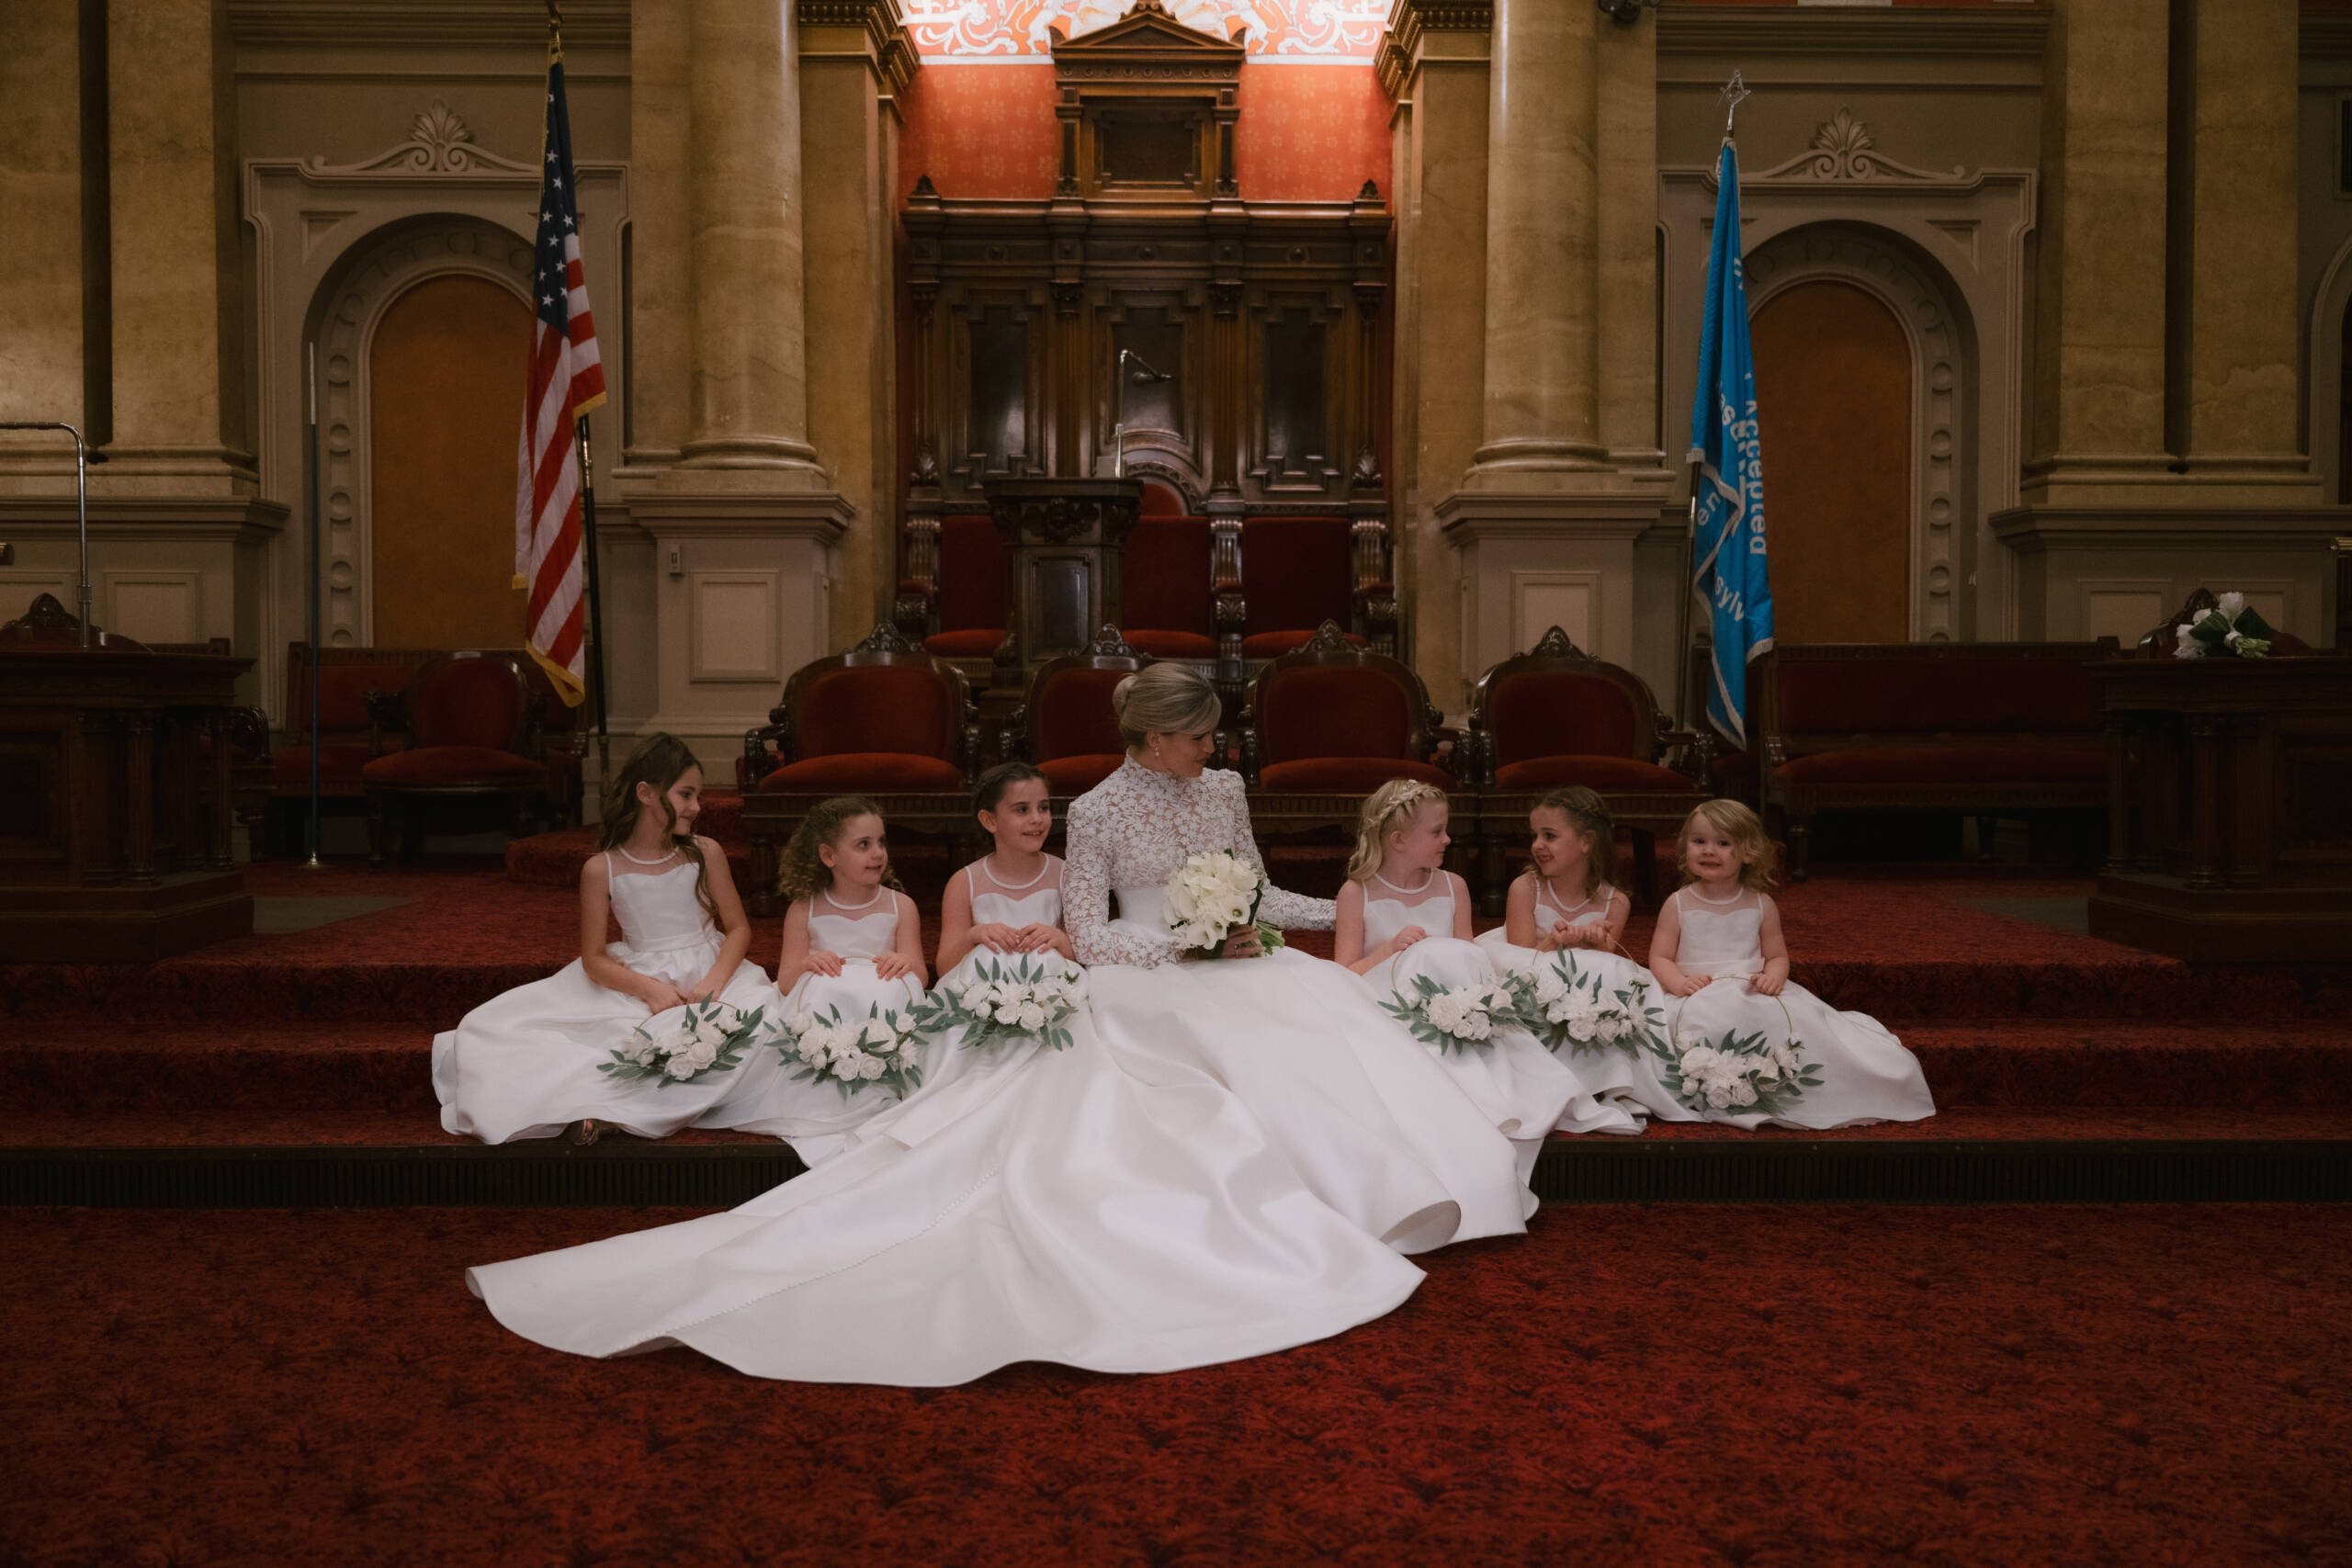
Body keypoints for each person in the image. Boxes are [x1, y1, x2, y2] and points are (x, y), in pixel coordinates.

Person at [1063, 663, 1558, 1250]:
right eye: (1198, 737)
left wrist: (1360, 909)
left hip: (1241, 958)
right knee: (1242, 1052)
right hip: (1149, 969)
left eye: (1213, 734)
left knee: (1331, 1021)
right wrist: (1188, 948)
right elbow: (1088, 936)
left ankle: (1393, 1178)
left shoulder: (1224, 790)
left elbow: (1261, 895)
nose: (1212, 748)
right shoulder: (1095, 810)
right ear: (1155, 739)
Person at [431, 734, 787, 1145]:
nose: (696, 806)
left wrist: (715, 981)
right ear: (646, 794)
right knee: (584, 1042)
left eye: (698, 796)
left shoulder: (705, 852)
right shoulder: (602, 869)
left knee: (755, 1028)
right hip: (639, 976)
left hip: (714, 971)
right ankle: (601, 1110)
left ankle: (622, 1112)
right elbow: (594, 958)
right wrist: (649, 989)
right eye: (686, 794)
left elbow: (739, 928)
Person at [1333, 779, 1638, 1148]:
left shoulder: (1454, 886)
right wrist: (1390, 951)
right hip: (1391, 1006)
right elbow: (1343, 974)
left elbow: (1470, 958)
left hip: (1454, 1009)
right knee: (1424, 957)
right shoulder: (1357, 893)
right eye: (1437, 832)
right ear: (1399, 840)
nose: (1448, 839)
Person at [1647, 799, 1936, 1130]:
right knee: (1697, 1023)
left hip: (1748, 989)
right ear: (1685, 846)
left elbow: (1777, 956)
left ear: (1748, 851)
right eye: (1699, 841)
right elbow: (1660, 956)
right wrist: (1679, 983)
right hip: (1695, 991)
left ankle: (1764, 1084)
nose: (1709, 850)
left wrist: (1773, 977)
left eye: (1723, 843)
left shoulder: (1761, 904)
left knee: (1784, 1022)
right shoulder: (1678, 903)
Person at [1475, 787, 1680, 1124]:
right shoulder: (1525, 888)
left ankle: (1608, 1080)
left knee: (1617, 975)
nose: (1537, 845)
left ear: (1586, 842)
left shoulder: (1616, 902)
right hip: (1532, 978)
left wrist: (1595, 942)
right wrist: (1555, 942)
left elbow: (1605, 962)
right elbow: (1518, 959)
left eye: (1550, 836)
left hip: (1580, 991)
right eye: (1534, 835)